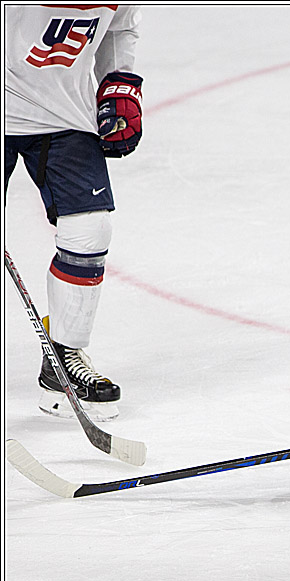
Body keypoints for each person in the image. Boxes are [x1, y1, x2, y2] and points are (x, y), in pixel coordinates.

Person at [5, 5, 143, 421]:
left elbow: (120, 28)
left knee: (90, 229)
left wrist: (119, 84)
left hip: (63, 114)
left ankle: (62, 360)